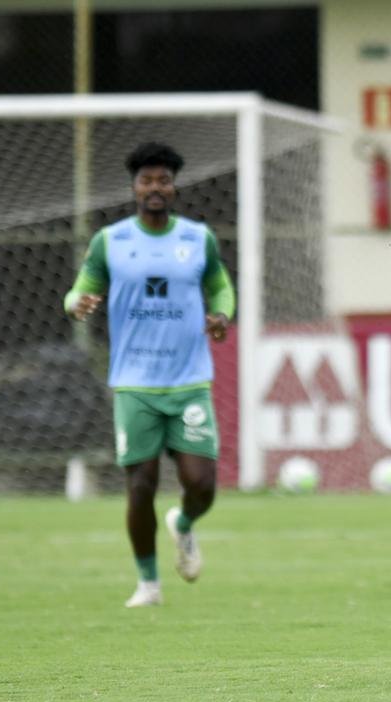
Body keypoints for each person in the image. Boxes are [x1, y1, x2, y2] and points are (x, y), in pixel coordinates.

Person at [64, 141, 236, 607]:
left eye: (163, 179)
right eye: (147, 180)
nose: (155, 187)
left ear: (174, 187)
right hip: (135, 383)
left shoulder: (196, 239)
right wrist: (77, 304)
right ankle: (148, 584)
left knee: (201, 483)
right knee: (139, 484)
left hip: (188, 381)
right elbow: (81, 288)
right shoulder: (111, 241)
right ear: (134, 187)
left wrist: (221, 315)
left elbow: (220, 288)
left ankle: (182, 523)